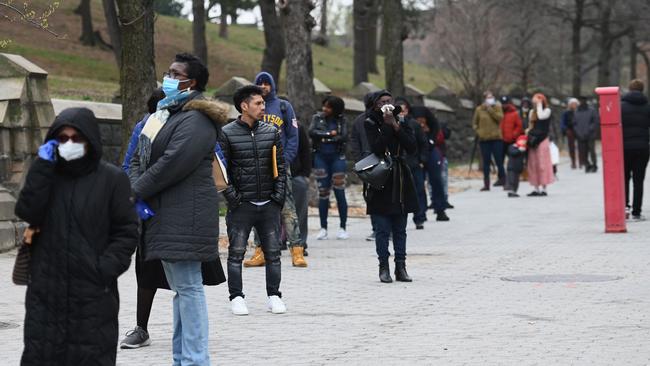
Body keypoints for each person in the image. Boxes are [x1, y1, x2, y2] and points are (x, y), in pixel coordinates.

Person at [15, 107, 138, 365]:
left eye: (76, 138)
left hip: (92, 293)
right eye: (62, 139)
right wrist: (41, 167)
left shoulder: (112, 179)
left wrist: (103, 269)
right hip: (46, 292)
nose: (69, 144)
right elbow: (28, 211)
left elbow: (126, 232)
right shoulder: (47, 173)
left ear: (89, 140)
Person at [128, 53, 224, 365]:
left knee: (189, 288)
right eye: (168, 71)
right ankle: (183, 357)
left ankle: (195, 359)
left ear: (191, 82)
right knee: (181, 289)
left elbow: (171, 164)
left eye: (174, 73)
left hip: (186, 215)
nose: (167, 77)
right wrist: (134, 187)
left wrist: (133, 192)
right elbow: (137, 157)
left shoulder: (196, 120)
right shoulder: (162, 115)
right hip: (164, 213)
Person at [220, 85, 287, 315]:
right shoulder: (226, 133)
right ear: (244, 106)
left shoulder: (272, 132)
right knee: (236, 253)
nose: (263, 107)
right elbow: (221, 171)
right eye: (258, 103)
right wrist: (234, 199)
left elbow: (281, 166)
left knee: (273, 253)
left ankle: (274, 295)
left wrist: (278, 197)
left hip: (269, 204)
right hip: (242, 206)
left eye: (263, 103)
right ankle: (236, 297)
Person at [245, 71, 306, 267]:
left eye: (267, 83)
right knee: (257, 208)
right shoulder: (251, 108)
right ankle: (259, 251)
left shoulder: (283, 106)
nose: (264, 86)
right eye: (260, 83)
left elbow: (293, 136)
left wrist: (285, 160)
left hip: (280, 165)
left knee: (287, 208)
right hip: (257, 166)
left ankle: (297, 250)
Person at [364, 90, 418, 283]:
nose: (386, 104)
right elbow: (377, 148)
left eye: (389, 101)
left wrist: (395, 125)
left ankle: (401, 267)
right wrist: (387, 126)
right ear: (375, 105)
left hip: (400, 177)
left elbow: (411, 146)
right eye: (382, 102)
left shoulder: (401, 120)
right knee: (382, 228)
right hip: (381, 178)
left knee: (400, 228)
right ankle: (383, 266)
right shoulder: (370, 122)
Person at [310, 96, 349, 240]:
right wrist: (328, 135)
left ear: (335, 109)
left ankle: (343, 227)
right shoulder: (317, 118)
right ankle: (323, 228)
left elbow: (343, 137)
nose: (325, 109)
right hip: (320, 157)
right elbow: (312, 133)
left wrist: (328, 138)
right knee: (323, 193)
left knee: (340, 192)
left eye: (328, 107)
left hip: (337, 158)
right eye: (324, 106)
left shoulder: (342, 120)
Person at [395, 97, 429, 229]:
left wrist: (422, 160)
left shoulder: (414, 124)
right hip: (399, 165)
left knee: (418, 190)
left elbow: (423, 143)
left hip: (414, 163)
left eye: (403, 111)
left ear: (407, 111)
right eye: (398, 111)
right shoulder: (392, 125)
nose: (401, 114)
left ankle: (419, 218)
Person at [412, 106, 450, 222]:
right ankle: (421, 212)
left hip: (431, 151)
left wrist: (431, 140)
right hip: (417, 153)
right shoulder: (412, 126)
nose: (421, 123)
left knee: (436, 180)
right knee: (419, 183)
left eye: (422, 120)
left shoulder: (433, 127)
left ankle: (440, 208)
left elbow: (439, 136)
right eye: (418, 121)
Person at [621, 79, 650, 221]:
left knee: (624, 178)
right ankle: (637, 212)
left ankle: (625, 208)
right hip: (643, 147)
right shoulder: (647, 106)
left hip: (624, 147)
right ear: (642, 90)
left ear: (629, 89)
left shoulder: (620, 106)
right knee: (639, 180)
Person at [350, 92, 377, 242]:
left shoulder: (385, 120)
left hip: (384, 162)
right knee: (370, 196)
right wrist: (359, 160)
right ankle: (376, 227)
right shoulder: (359, 121)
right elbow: (355, 141)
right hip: (367, 163)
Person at [472, 90, 505, 190]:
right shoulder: (479, 110)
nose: (490, 99)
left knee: (499, 160)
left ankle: (503, 180)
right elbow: (474, 123)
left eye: (492, 97)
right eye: (488, 97)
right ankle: (486, 184)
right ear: (484, 99)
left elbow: (500, 119)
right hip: (484, 139)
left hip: (496, 138)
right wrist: (479, 132)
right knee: (486, 162)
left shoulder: (497, 107)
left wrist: (490, 110)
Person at [525, 93, 555, 196]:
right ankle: (536, 187)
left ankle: (544, 188)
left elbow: (541, 116)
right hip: (533, 139)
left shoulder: (547, 110)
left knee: (543, 164)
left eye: (537, 101)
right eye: (534, 101)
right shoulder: (531, 112)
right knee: (533, 164)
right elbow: (531, 125)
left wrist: (539, 105)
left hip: (543, 139)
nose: (535, 103)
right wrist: (528, 131)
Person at [291, 123, 312, 254]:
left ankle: (300, 243)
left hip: (296, 174)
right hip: (272, 176)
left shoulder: (297, 128)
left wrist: (305, 174)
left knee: (300, 212)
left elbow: (305, 151)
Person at [500, 95, 524, 190]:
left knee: (511, 164)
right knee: (500, 162)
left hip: (511, 141)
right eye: (502, 104)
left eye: (506, 103)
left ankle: (510, 183)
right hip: (501, 141)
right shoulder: (499, 113)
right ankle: (502, 179)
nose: (504, 106)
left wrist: (514, 135)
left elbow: (519, 126)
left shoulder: (514, 114)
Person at [574, 96, 599, 173]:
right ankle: (587, 165)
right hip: (580, 135)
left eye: (583, 101)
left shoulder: (591, 110)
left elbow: (595, 121)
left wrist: (589, 130)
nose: (581, 102)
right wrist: (578, 132)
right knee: (583, 152)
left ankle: (594, 165)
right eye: (580, 101)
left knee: (592, 151)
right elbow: (574, 124)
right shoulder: (576, 112)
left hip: (590, 135)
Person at [560, 98, 579, 169]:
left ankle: (581, 161)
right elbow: (562, 122)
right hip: (570, 130)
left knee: (581, 146)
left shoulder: (579, 112)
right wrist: (565, 129)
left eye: (575, 104)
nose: (573, 105)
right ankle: (573, 161)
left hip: (579, 130)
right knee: (571, 147)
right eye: (572, 104)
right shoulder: (566, 113)